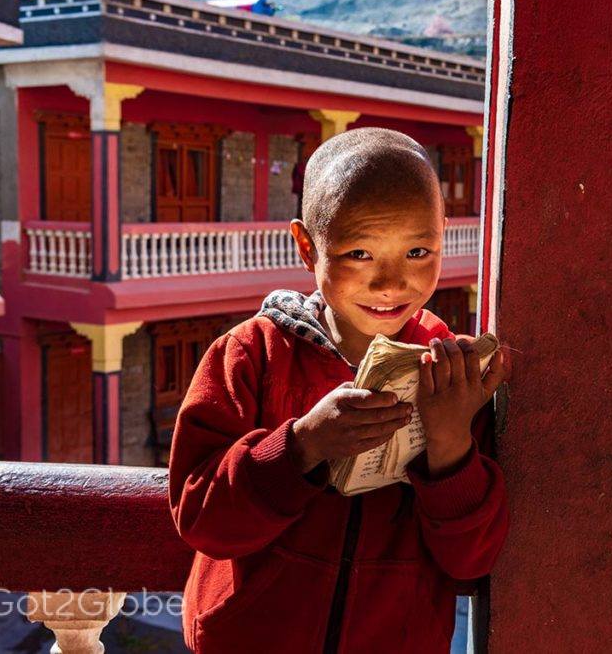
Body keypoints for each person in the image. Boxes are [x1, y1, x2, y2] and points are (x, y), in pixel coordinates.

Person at [167, 127, 511, 653]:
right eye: (359, 253)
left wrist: (450, 445)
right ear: (308, 246)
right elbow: (201, 517)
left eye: (418, 250)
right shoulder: (252, 356)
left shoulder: (448, 376)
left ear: (442, 234)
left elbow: (471, 560)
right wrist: (302, 445)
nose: (391, 283)